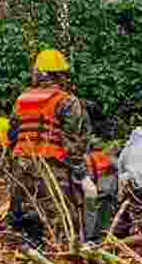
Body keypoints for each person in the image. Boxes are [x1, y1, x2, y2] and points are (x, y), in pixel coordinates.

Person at [7, 49, 93, 249]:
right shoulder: (67, 101)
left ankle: (24, 256)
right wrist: (81, 173)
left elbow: (12, 136)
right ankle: (59, 257)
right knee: (60, 217)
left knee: (25, 216)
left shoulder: (21, 100)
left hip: (21, 167)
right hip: (51, 168)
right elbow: (73, 143)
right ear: (60, 75)